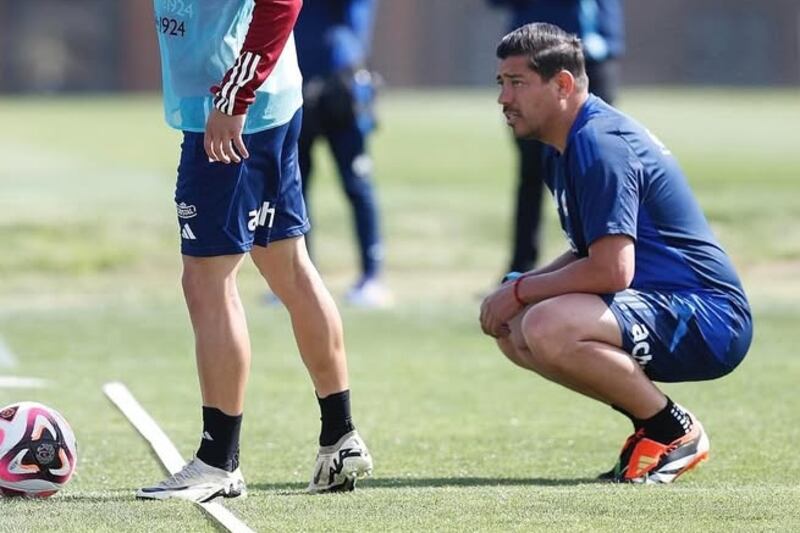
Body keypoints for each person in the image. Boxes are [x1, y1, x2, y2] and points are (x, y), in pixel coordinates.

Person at [481, 23, 752, 483]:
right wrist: (516, 292)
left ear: (563, 84)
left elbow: (612, 269)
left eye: (518, 83)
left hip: (710, 317)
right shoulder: (564, 146)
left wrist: (524, 289)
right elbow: (588, 253)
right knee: (517, 328)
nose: (504, 99)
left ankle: (673, 431)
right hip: (662, 303)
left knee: (546, 324)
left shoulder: (598, 144)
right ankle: (651, 426)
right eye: (501, 84)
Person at [138, 0, 373, 502]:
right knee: (286, 263)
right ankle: (340, 436)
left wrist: (235, 97)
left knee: (207, 279)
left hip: (234, 111)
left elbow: (281, 2)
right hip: (256, 102)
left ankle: (218, 462)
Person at [487, 0, 624, 274]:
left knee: (598, 165)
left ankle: (603, 260)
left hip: (594, 56)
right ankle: (521, 268)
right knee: (532, 173)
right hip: (535, 61)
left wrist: (609, 40)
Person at [292, 0, 391, 308]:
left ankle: (372, 275)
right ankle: (298, 278)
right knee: (292, 187)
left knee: (357, 184)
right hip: (294, 78)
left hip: (341, 80)